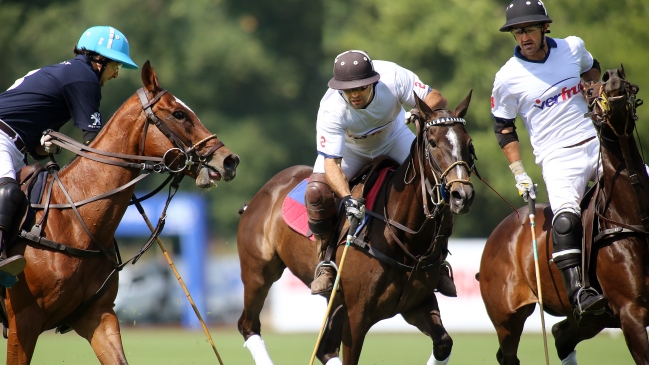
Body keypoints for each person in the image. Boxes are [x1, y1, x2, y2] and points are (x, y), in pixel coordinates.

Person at [305, 50, 457, 296]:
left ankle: (438, 262)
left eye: (361, 88)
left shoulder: (393, 76)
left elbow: (437, 98)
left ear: (373, 81)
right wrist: (348, 198)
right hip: (351, 150)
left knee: (439, 185)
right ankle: (325, 264)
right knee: (317, 193)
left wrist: (419, 111)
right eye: (348, 89)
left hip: (394, 138)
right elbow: (332, 163)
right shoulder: (331, 108)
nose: (354, 94)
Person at [491, 0, 608, 317]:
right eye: (517, 32)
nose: (523, 37)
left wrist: (595, 89)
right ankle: (580, 293)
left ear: (544, 27)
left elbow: (591, 66)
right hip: (558, 158)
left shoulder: (572, 47)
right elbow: (503, 128)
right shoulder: (507, 77)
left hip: (599, 144)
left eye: (528, 29)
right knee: (566, 219)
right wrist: (518, 171)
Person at [0, 26, 138, 278]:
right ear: (100, 60)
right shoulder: (84, 78)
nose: (116, 74)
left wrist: (44, 147)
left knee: (34, 202)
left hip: (14, 145)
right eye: (116, 65)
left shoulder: (69, 73)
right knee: (8, 192)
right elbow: (95, 145)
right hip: (1, 136)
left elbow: (37, 146)